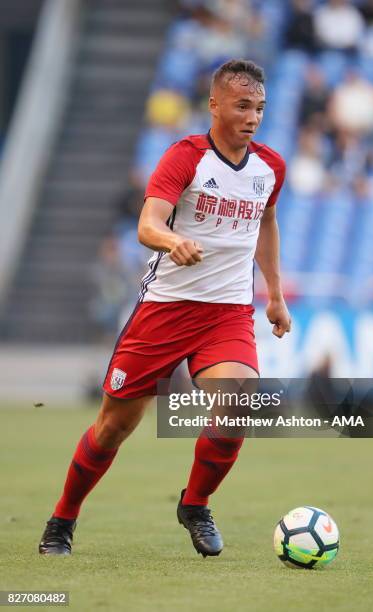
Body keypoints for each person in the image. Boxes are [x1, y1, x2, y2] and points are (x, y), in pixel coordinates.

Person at [39, 59, 291, 558]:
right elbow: (147, 224)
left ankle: (195, 504)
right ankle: (61, 520)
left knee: (238, 407)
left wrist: (276, 295)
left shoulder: (270, 168)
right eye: (242, 105)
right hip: (166, 309)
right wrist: (172, 240)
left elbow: (266, 225)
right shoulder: (186, 157)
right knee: (114, 427)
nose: (252, 116)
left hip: (226, 314)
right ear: (214, 105)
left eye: (260, 108)